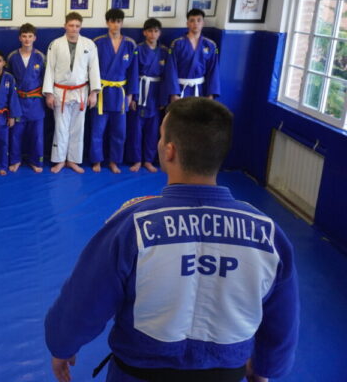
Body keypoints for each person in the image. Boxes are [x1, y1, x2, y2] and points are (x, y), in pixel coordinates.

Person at [45, 98, 299, 382]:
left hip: (139, 375)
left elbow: (83, 300)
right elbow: (282, 324)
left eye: (161, 136)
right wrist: (265, 371)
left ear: (169, 150)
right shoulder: (269, 235)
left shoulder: (132, 226)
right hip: (225, 374)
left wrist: (62, 346)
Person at [43, 12, 101, 174]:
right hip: (59, 92)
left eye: (77, 26)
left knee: (78, 128)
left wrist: (94, 93)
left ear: (81, 27)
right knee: (60, 128)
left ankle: (73, 160)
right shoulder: (55, 44)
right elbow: (50, 69)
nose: (74, 29)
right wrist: (48, 93)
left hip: (81, 92)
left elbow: (94, 69)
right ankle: (60, 160)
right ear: (65, 26)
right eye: (71, 25)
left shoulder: (89, 45)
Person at [89, 8, 138, 174]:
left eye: (118, 21)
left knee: (119, 131)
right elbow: (92, 69)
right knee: (98, 129)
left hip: (120, 93)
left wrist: (131, 95)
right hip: (102, 92)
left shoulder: (130, 44)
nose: (115, 24)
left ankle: (114, 161)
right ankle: (96, 160)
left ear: (122, 23)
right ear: (107, 22)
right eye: (112, 21)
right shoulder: (98, 42)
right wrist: (93, 91)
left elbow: (133, 71)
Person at [127, 18, 168, 173]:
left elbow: (167, 77)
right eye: (150, 31)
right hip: (141, 89)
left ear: (160, 33)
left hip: (156, 93)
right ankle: (136, 160)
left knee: (153, 130)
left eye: (156, 31)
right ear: (144, 32)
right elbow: (133, 73)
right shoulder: (137, 49)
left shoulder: (164, 51)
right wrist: (133, 96)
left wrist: (164, 98)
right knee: (136, 129)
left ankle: (148, 160)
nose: (152, 34)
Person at [7, 23, 46, 173]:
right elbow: (8, 79)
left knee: (36, 134)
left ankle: (36, 161)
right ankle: (15, 160)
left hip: (36, 100)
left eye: (30, 36)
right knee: (16, 133)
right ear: (19, 38)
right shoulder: (12, 56)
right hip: (18, 100)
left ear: (35, 38)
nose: (27, 39)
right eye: (24, 36)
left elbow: (46, 79)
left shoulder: (41, 56)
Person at [164, 8, 221, 102]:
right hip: (181, 89)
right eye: (192, 20)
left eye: (199, 20)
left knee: (198, 116)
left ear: (203, 23)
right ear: (187, 24)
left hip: (200, 89)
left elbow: (213, 71)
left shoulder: (210, 45)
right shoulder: (177, 44)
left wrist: (211, 94)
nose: (196, 23)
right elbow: (171, 69)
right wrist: (174, 93)